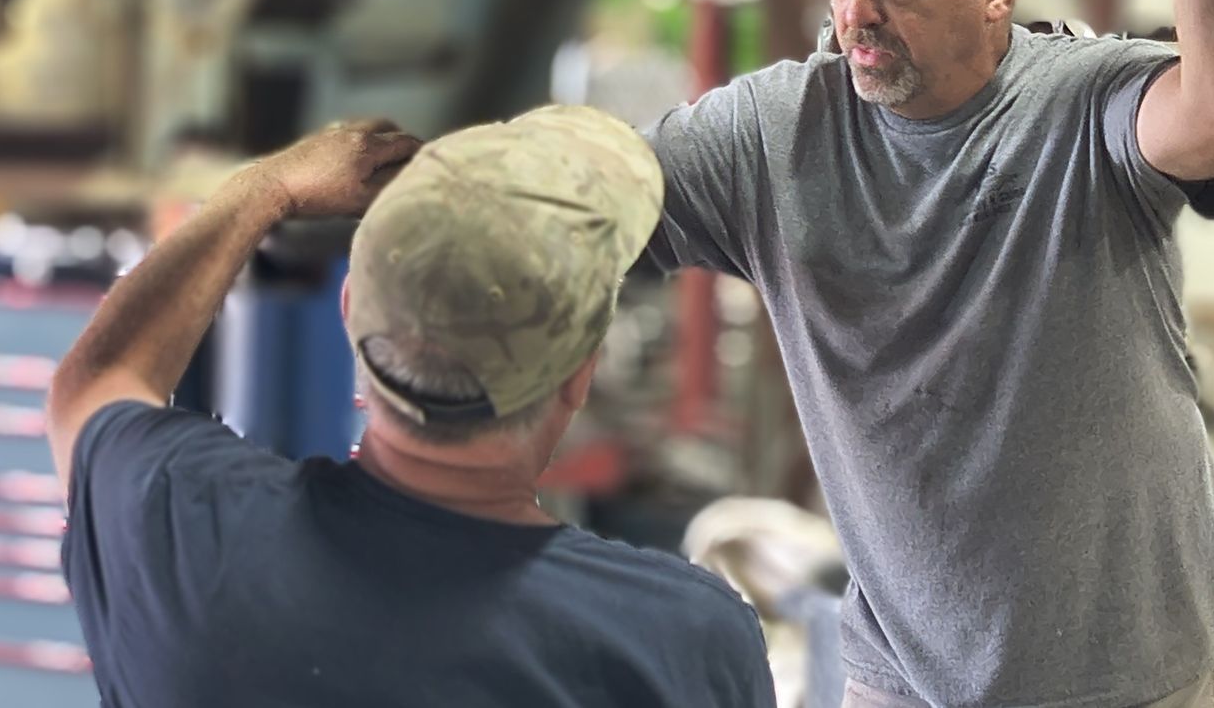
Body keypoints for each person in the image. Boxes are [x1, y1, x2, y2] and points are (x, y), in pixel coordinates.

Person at [646, 0, 1214, 708]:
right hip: (902, 681)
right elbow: (597, 189)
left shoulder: (1083, 103)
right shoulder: (774, 131)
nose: (855, 14)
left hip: (1134, 679)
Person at [47, 105, 775, 708]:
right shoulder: (680, 642)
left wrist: (265, 188)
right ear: (578, 374)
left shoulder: (185, 538)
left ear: (350, 311)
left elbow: (100, 381)